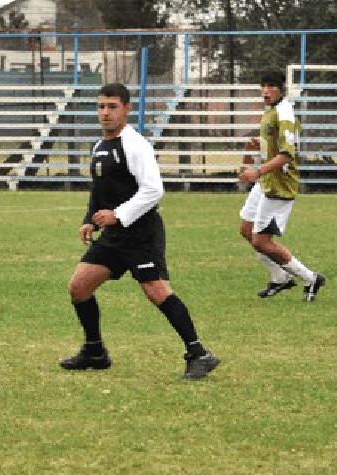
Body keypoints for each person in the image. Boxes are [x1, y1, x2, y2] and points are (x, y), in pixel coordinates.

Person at [59, 83, 220, 380]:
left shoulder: (135, 145)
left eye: (112, 107)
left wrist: (118, 215)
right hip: (114, 236)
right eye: (101, 107)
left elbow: (153, 191)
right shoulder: (99, 147)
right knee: (79, 288)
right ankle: (95, 351)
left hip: (141, 234)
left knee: (156, 291)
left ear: (126, 109)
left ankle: (199, 353)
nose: (105, 113)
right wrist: (90, 220)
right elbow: (100, 191)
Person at [237, 72, 326, 301]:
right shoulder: (272, 110)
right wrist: (261, 144)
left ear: (282, 89)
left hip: (280, 184)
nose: (266, 90)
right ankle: (280, 277)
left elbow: (287, 154)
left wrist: (256, 171)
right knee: (246, 230)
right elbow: (276, 145)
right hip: (266, 182)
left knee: (261, 241)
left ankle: (310, 278)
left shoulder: (285, 113)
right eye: (263, 85)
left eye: (272, 86)